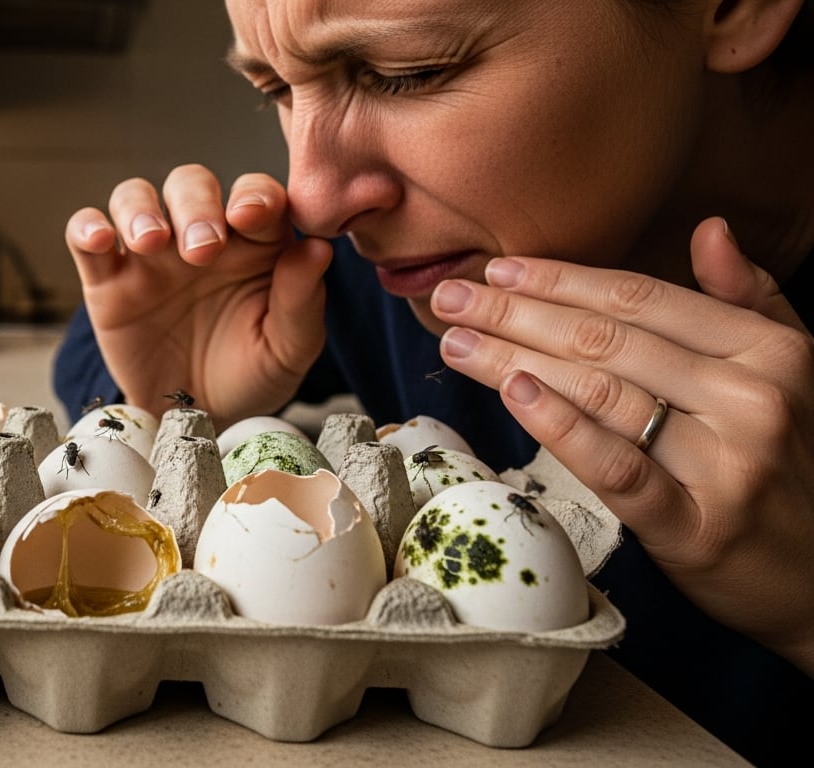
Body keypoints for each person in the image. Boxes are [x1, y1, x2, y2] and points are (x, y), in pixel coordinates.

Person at [53, 1, 813, 764]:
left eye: (406, 74)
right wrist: (169, 404)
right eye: (276, 89)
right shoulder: (384, 266)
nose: (315, 199)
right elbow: (104, 342)